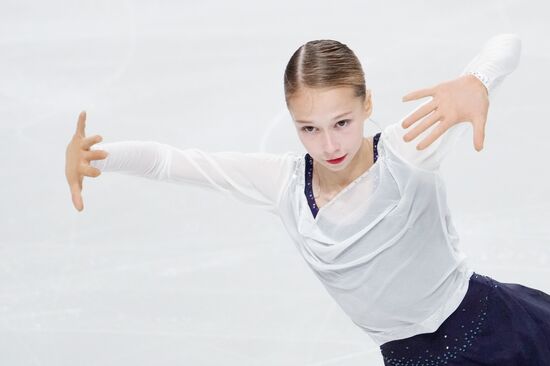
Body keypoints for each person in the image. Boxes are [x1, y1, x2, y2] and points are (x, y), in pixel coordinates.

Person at [65, 33, 550, 364]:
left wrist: (477, 80)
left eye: (342, 122)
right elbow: (173, 162)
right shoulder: (284, 185)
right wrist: (97, 156)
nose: (330, 145)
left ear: (368, 104)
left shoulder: (407, 152)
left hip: (493, 329)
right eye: (309, 129)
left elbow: (507, 44)